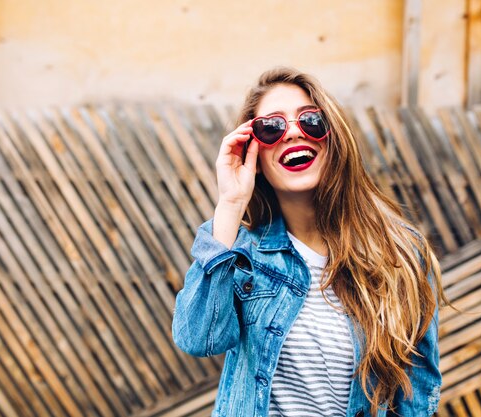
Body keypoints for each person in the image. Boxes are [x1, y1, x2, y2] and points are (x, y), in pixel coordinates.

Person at [172, 67, 447, 417]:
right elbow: (199, 338)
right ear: (253, 153)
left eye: (310, 120)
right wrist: (230, 203)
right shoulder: (240, 254)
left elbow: (417, 393)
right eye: (271, 127)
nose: (291, 134)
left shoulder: (400, 253)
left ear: (333, 136)